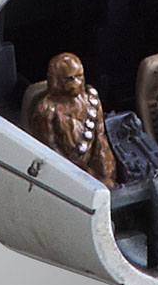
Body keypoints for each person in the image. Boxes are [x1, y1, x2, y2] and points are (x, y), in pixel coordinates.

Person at [29, 52, 117, 188]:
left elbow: (100, 139)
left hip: (93, 169)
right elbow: (53, 153)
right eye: (70, 79)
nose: (77, 82)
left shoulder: (91, 98)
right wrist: (88, 177)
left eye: (79, 76)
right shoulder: (47, 110)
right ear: (56, 80)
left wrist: (107, 175)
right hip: (66, 177)